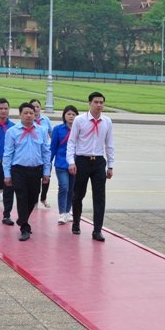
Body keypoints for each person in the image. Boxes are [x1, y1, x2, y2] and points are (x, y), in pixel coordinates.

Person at [67, 92, 114, 241]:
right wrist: (71, 162)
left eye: (101, 102)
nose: (99, 105)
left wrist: (111, 165)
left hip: (99, 161)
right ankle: (76, 223)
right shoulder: (80, 120)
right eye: (96, 102)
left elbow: (109, 144)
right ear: (89, 103)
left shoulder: (107, 122)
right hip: (82, 160)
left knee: (99, 196)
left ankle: (97, 230)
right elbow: (72, 142)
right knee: (78, 194)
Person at [3, 103, 51, 241]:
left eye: (31, 112)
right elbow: (8, 153)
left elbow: (46, 152)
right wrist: (7, 174)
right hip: (19, 169)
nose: (29, 115)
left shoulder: (41, 131)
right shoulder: (12, 132)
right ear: (20, 114)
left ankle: (22, 218)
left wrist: (46, 172)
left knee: (33, 197)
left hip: (36, 170)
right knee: (22, 196)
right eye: (26, 113)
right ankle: (24, 227)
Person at [50, 105, 78, 224]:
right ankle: (62, 213)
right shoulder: (58, 129)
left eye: (73, 114)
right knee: (64, 187)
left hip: (75, 164)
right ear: (64, 116)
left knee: (72, 189)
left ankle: (68, 211)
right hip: (61, 163)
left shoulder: (79, 128)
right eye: (68, 114)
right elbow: (53, 147)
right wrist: (48, 164)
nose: (71, 116)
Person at [31, 99, 53, 209]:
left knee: (46, 176)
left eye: (37, 106)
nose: (36, 109)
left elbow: (51, 135)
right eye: (33, 107)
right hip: (34, 154)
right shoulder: (29, 121)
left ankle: (43, 198)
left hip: (44, 153)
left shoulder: (46, 120)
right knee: (35, 181)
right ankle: (34, 200)